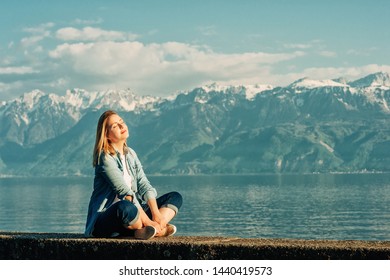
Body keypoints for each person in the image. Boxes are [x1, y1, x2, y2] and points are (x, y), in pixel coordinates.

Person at [85, 110, 182, 239]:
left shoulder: (130, 154)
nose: (121, 126)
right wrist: (148, 221)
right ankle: (151, 229)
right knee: (125, 207)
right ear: (107, 135)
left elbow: (144, 185)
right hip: (107, 220)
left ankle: (150, 230)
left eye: (121, 122)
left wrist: (156, 215)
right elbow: (126, 194)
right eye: (114, 126)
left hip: (135, 216)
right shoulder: (105, 157)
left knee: (175, 197)